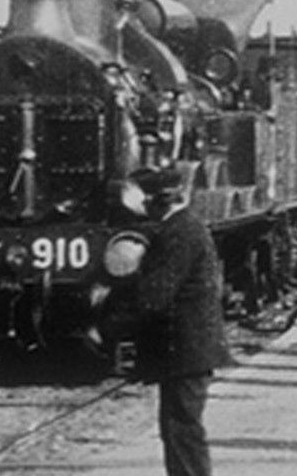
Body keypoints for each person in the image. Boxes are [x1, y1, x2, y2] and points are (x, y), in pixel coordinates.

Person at [98, 169, 230, 476]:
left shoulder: (179, 232)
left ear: (158, 201)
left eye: (143, 201)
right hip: (183, 348)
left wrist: (108, 326)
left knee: (182, 430)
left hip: (186, 348)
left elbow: (154, 295)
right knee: (178, 429)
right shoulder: (182, 227)